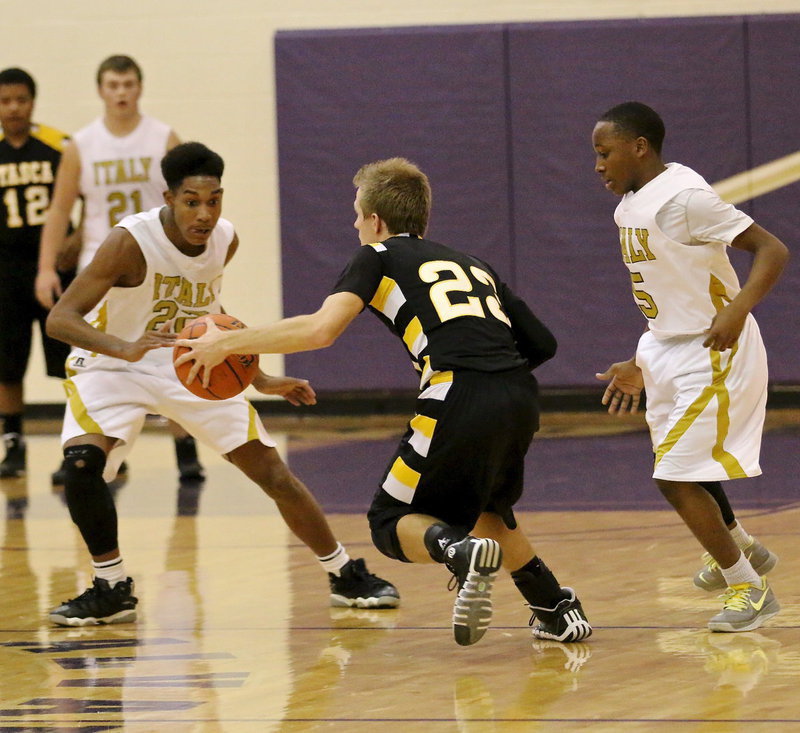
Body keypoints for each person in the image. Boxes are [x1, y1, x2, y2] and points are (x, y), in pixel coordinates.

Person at [175, 157, 593, 647]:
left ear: (375, 221)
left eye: (357, 214)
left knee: (389, 522)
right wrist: (494, 382)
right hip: (520, 395)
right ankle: (556, 609)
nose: (355, 224)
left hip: (458, 389)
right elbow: (543, 344)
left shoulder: (375, 255)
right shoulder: (473, 263)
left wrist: (230, 344)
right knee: (490, 510)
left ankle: (458, 552)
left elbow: (319, 329)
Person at [44, 141, 399, 626]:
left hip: (190, 360)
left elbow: (211, 316)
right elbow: (60, 320)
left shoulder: (225, 239)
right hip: (113, 364)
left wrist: (261, 376)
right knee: (82, 467)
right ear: (168, 198)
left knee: (273, 474)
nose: (204, 213)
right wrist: (125, 347)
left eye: (213, 201)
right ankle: (111, 586)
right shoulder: (130, 241)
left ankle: (344, 573)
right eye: (192, 201)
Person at [591, 101, 789, 632]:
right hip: (665, 344)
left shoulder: (686, 199)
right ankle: (742, 545)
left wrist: (737, 307)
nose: (598, 165)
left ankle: (748, 587)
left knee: (673, 476)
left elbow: (772, 249)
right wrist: (639, 358)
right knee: (683, 464)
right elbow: (668, 289)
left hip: (715, 346)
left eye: (605, 152)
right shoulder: (629, 205)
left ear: (640, 148)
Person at [36, 54, 204, 483]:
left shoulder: (163, 137)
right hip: (102, 267)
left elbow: (192, 197)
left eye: (128, 84)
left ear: (140, 87)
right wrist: (45, 268)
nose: (121, 93)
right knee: (91, 355)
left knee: (174, 350)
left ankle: (185, 447)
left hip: (159, 263)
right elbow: (59, 210)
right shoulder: (82, 145)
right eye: (113, 85)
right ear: (100, 91)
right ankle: (91, 444)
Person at [0, 67, 77, 478]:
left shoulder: (59, 146)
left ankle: (81, 446)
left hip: (56, 272)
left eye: (20, 99)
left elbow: (92, 202)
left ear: (33, 101)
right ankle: (13, 447)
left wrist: (77, 240)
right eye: (5, 100)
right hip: (5, 273)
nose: (13, 107)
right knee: (7, 366)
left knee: (71, 364)